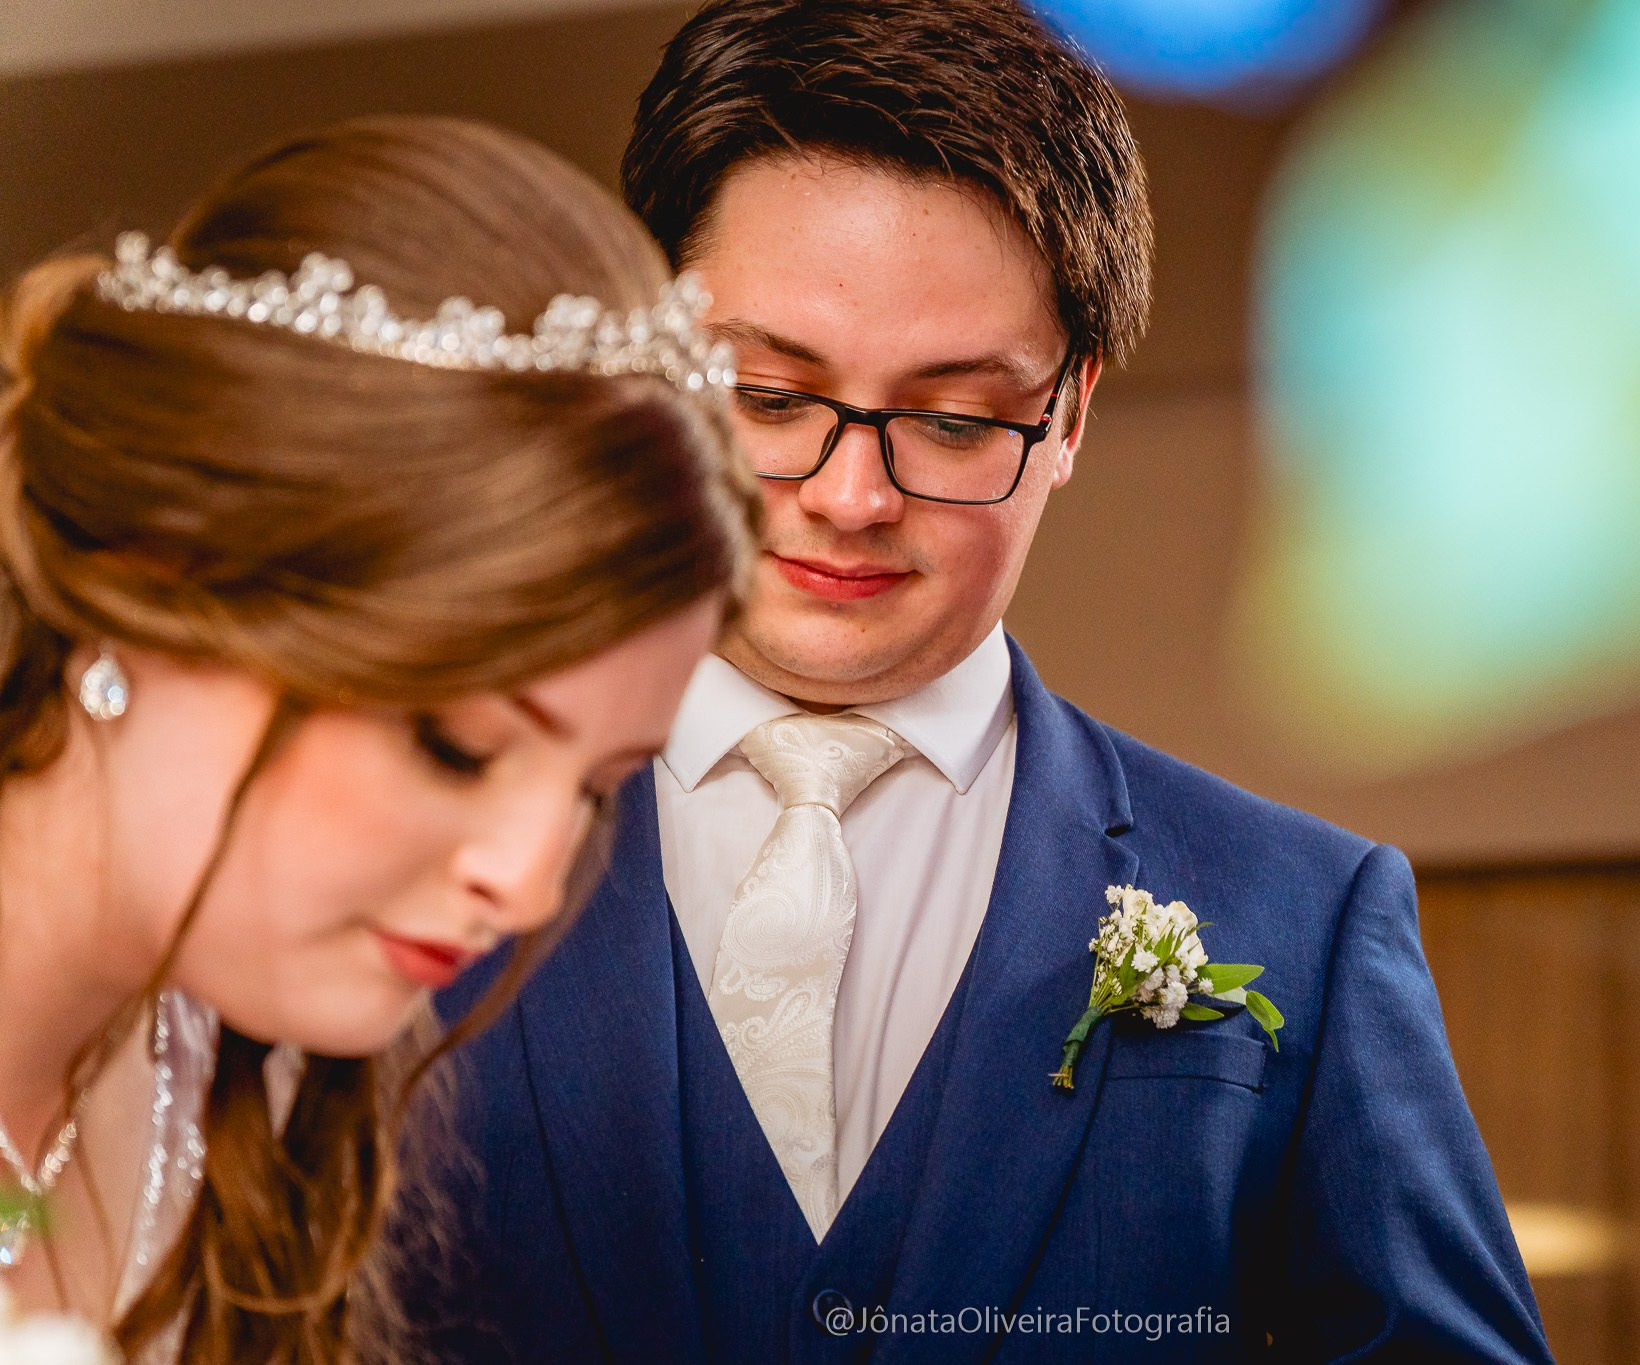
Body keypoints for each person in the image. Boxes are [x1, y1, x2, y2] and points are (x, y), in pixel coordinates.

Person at [435, 1, 1553, 1360]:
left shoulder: (1305, 920)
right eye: (770, 400)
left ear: (1069, 411)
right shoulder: (398, 841)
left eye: (954, 420)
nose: (851, 497)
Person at [0, 115, 754, 1363]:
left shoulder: (244, 1079)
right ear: (151, 576)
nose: (525, 887)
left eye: (597, 788)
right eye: (456, 745)